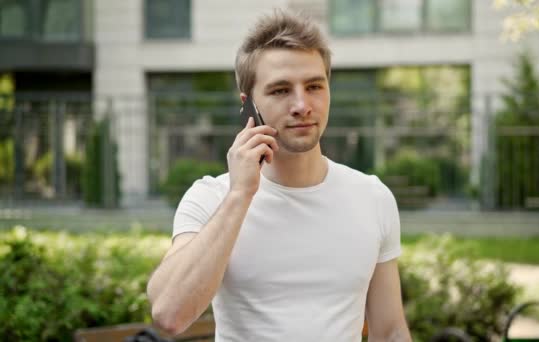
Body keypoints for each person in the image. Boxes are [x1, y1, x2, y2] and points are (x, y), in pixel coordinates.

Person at [146, 9, 412, 342]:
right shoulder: (211, 198)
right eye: (280, 90)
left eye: (314, 86)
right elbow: (170, 315)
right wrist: (240, 195)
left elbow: (390, 332)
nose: (302, 105)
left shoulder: (372, 197)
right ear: (248, 106)